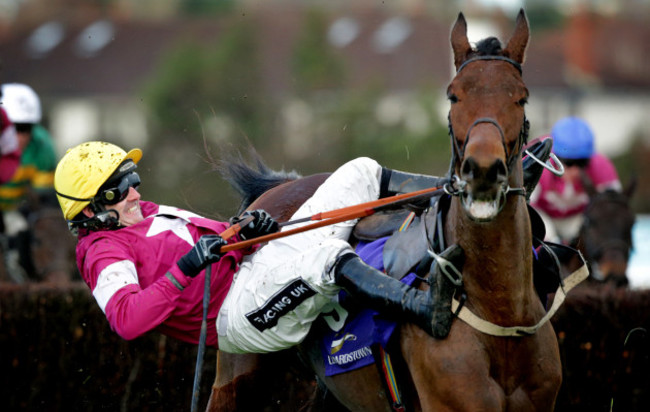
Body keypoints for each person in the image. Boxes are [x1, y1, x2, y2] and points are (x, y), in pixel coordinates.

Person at [54, 141, 452, 354]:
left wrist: (243, 234)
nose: (135, 192)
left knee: (360, 172)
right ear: (91, 209)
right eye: (121, 189)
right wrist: (187, 268)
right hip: (235, 317)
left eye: (134, 179)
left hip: (251, 273)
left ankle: (454, 191)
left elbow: (221, 243)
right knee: (325, 259)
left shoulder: (148, 212)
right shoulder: (103, 251)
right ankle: (422, 309)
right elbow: (126, 320)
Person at [530, 116, 621, 244]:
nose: (576, 171)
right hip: (543, 216)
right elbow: (523, 206)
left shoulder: (602, 167)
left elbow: (614, 210)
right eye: (569, 163)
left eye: (582, 163)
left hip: (578, 218)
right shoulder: (538, 163)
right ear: (555, 155)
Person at [0, 83, 58, 281]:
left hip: (16, 210)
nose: (21, 136)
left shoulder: (42, 146)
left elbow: (44, 197)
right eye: (15, 127)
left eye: (26, 128)